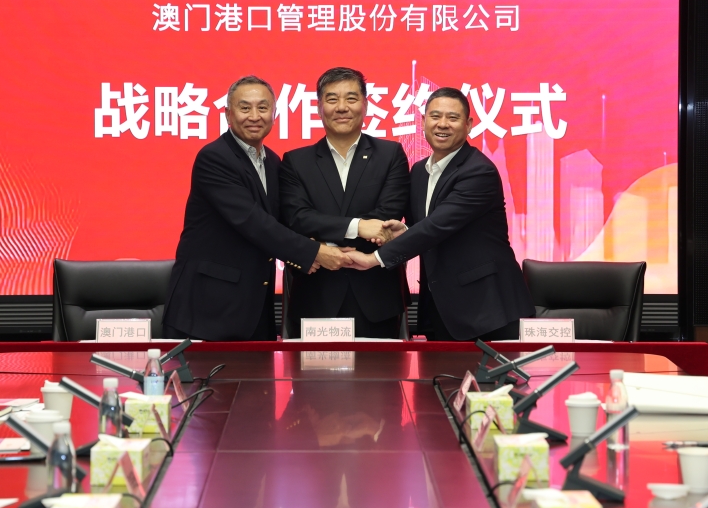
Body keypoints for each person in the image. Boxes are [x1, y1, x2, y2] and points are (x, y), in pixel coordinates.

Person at [163, 76, 352, 341]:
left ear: (274, 114)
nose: (254, 116)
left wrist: (330, 240)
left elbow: (286, 221)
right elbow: (254, 223)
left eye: (263, 108)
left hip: (254, 308)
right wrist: (315, 252)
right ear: (228, 114)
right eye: (245, 108)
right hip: (208, 310)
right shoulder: (214, 158)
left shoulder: (273, 161)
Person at [344, 87, 534, 341]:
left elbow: (436, 227)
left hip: (488, 308)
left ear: (468, 125)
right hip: (442, 307)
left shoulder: (479, 171)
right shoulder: (419, 171)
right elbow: (426, 227)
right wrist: (405, 230)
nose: (442, 124)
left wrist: (373, 259)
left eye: (453, 118)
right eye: (435, 116)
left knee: (494, 371)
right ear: (424, 122)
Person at [279, 67, 411, 338]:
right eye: (332, 99)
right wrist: (358, 227)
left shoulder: (390, 154)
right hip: (316, 294)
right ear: (319, 107)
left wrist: (324, 239)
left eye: (351, 98)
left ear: (365, 105)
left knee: (381, 367)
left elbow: (387, 216)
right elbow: (298, 217)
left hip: (376, 297)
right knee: (312, 368)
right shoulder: (296, 161)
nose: (341, 107)